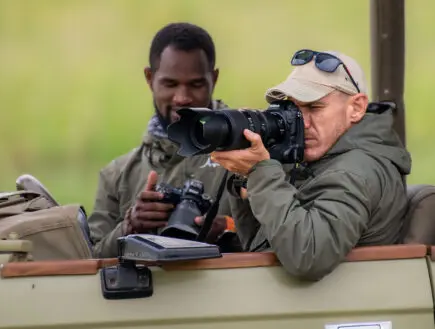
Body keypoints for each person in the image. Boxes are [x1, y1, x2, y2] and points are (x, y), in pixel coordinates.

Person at [210, 49, 412, 280]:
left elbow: (308, 255)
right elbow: (260, 245)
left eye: (315, 108)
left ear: (356, 108)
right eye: (294, 109)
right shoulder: (320, 159)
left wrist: (261, 174)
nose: (302, 123)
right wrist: (247, 180)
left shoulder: (355, 170)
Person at [87, 22, 240, 258]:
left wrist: (229, 230)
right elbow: (89, 262)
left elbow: (281, 241)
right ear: (150, 78)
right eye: (170, 84)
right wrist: (130, 226)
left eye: (196, 84)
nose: (182, 97)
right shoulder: (118, 175)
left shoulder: (248, 157)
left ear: (214, 78)